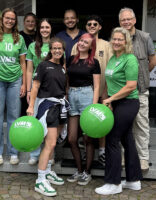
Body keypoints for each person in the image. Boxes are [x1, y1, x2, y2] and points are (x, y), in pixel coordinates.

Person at [95, 27, 142, 195]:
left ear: (126, 42)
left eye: (120, 39)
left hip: (128, 103)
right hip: (116, 103)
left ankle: (113, 183)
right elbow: (109, 82)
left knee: (112, 139)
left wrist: (111, 99)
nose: (116, 42)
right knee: (127, 139)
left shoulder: (130, 59)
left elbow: (131, 86)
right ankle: (133, 180)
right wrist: (106, 99)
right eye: (114, 39)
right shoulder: (113, 59)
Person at [0, 8, 27, 165]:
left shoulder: (19, 39)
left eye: (13, 19)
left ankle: (13, 151)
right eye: (7, 18)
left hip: (15, 80)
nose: (10, 21)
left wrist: (24, 84)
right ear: (2, 19)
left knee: (14, 117)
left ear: (15, 22)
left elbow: (23, 63)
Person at [27, 37, 69, 197]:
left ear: (63, 50)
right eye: (54, 48)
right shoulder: (43, 65)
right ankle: (40, 179)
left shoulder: (62, 68)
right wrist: (31, 106)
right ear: (50, 50)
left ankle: (49, 171)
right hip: (47, 107)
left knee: (53, 142)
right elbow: (35, 86)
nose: (57, 51)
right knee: (50, 143)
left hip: (60, 107)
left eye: (60, 48)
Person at [119, 7, 156, 170]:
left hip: (140, 91)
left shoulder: (145, 37)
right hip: (121, 92)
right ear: (120, 22)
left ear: (134, 20)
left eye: (129, 19)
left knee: (141, 125)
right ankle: (122, 156)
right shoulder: (117, 39)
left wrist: (136, 78)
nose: (126, 22)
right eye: (123, 20)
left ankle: (143, 158)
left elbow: (153, 62)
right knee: (122, 126)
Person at [72, 15, 113, 166]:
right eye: (89, 24)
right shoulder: (78, 44)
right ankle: (84, 151)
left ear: (100, 27)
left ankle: (102, 151)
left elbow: (110, 69)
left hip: (101, 90)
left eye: (95, 24)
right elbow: (71, 66)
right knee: (84, 124)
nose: (92, 26)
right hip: (82, 91)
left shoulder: (106, 45)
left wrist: (106, 91)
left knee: (101, 120)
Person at [66, 33, 100, 185]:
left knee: (88, 138)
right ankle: (79, 170)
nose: (82, 43)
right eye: (81, 41)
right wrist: (66, 95)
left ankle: (87, 172)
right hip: (72, 96)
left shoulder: (94, 62)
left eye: (86, 42)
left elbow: (97, 85)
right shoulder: (70, 59)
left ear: (91, 46)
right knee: (72, 138)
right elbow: (67, 80)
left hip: (87, 96)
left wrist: (93, 105)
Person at [26, 18, 53, 165]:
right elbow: (29, 70)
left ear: (51, 29)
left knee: (49, 123)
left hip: (52, 90)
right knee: (35, 121)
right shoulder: (32, 46)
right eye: (42, 27)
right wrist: (29, 89)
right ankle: (35, 153)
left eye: (47, 27)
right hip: (37, 89)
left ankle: (49, 155)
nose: (44, 30)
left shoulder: (56, 45)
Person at [19, 12, 37, 117]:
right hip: (22, 72)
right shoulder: (19, 36)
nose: (30, 23)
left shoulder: (39, 36)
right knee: (23, 102)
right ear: (24, 22)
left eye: (32, 21)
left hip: (35, 73)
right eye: (28, 21)